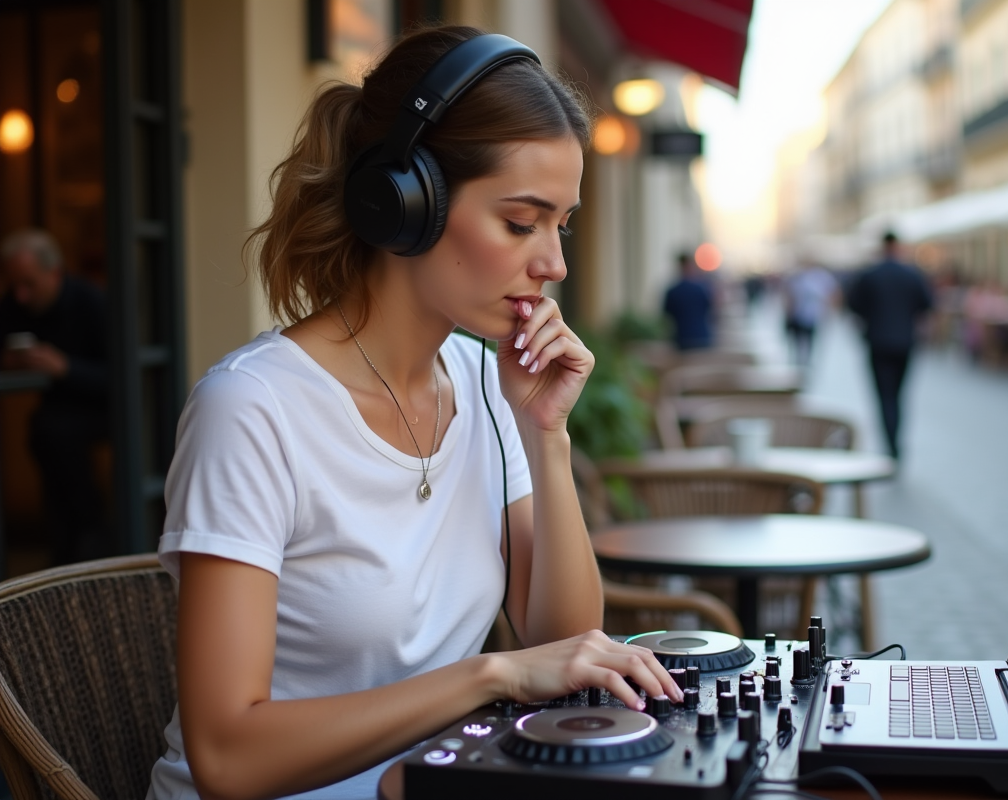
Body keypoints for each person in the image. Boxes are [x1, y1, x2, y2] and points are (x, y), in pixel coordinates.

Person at [146, 28, 681, 800]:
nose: (554, 265)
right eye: (520, 221)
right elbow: (230, 758)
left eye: (560, 226)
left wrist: (546, 435)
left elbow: (563, 645)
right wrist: (489, 676)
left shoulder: (487, 383)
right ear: (407, 203)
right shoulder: (252, 410)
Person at [0, 229, 107, 564]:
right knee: (45, 432)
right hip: (56, 415)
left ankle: (91, 533)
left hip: (105, 411)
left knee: (55, 433)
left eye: (29, 284)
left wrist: (65, 368)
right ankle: (67, 540)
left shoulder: (92, 302)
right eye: (14, 284)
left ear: (55, 272)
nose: (20, 295)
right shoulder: (14, 304)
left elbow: (122, 380)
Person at [846, 232, 933, 460]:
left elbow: (853, 304)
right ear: (898, 246)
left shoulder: (870, 274)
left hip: (878, 341)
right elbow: (927, 304)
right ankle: (896, 441)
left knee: (884, 395)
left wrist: (871, 317)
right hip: (905, 342)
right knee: (898, 394)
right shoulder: (911, 274)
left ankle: (890, 442)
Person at [783, 261, 839, 364]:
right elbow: (790, 295)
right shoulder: (798, 277)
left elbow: (831, 294)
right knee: (798, 336)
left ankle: (806, 357)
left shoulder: (822, 277)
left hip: (813, 314)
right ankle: (799, 356)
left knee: (809, 336)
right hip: (798, 313)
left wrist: (829, 311)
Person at [662, 252, 714, 350]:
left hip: (682, 338)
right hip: (702, 337)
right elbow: (710, 310)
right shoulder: (702, 288)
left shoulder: (673, 291)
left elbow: (666, 315)